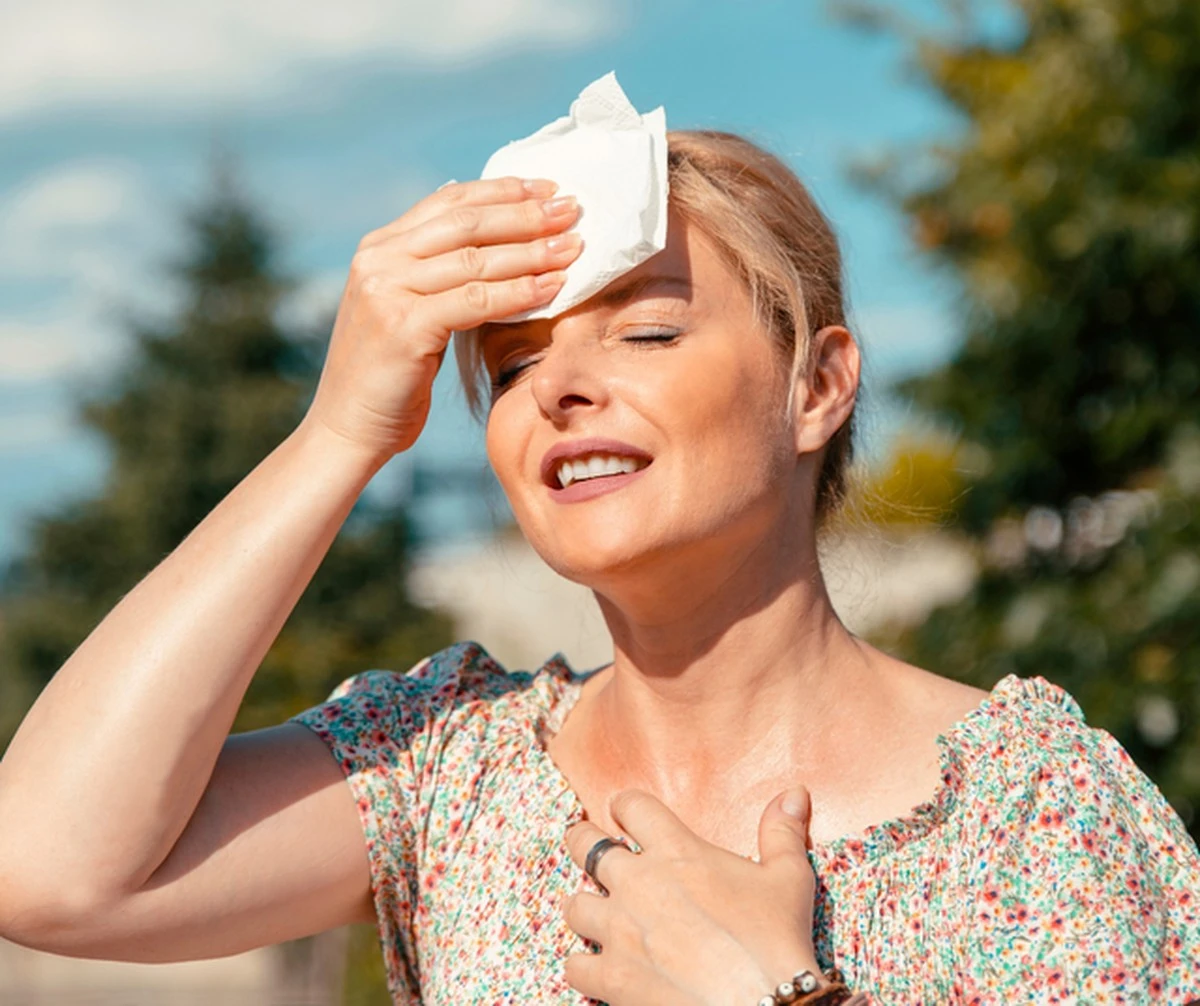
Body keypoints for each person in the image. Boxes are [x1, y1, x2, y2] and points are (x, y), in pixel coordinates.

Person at [0, 129, 1197, 1006]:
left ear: (818, 387)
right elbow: (47, 870)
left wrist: (767, 996)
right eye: (513, 365)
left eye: (650, 327)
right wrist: (340, 434)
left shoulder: (1042, 814)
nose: (561, 388)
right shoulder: (448, 770)